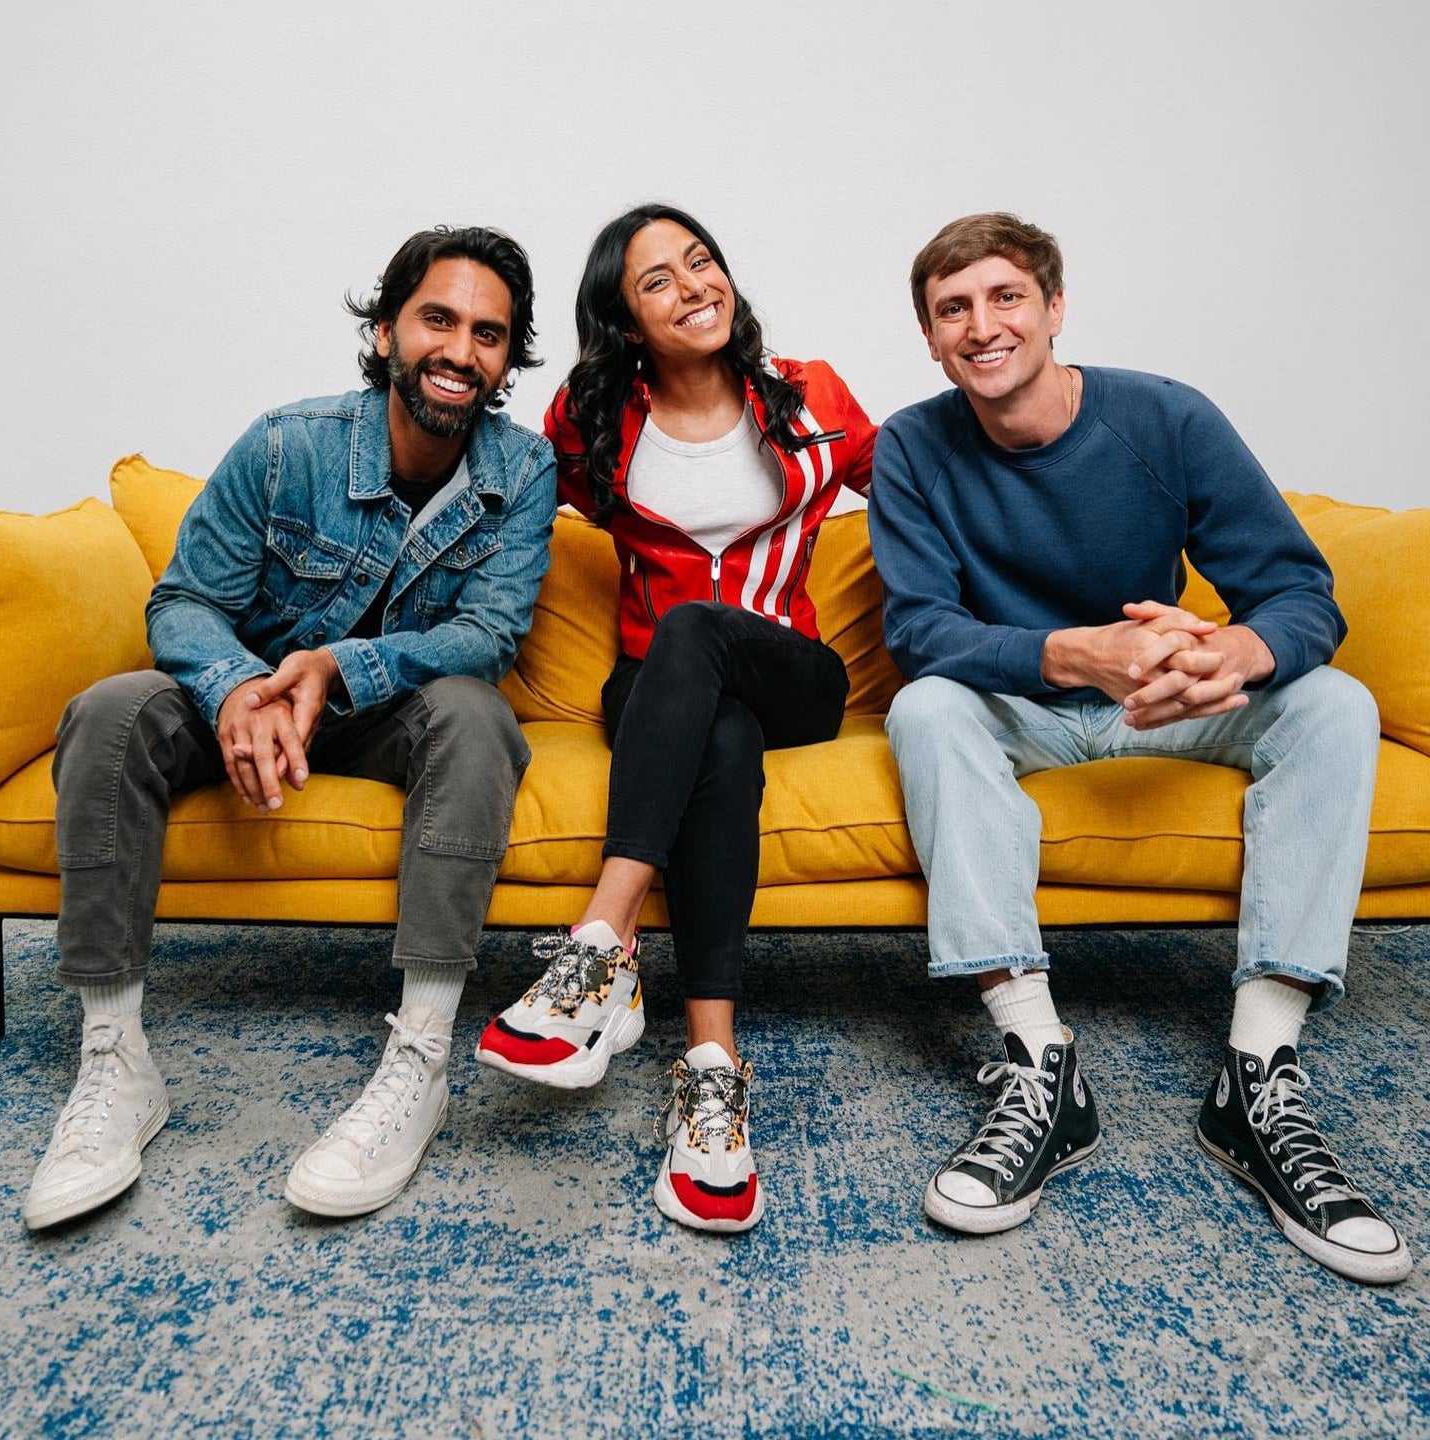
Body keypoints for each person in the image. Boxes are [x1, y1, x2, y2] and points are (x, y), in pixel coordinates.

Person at [868, 212, 1411, 1284]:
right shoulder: (913, 445)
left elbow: (1299, 591)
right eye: (953, 310)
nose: (983, 327)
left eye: (1005, 297)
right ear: (931, 339)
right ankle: (1039, 1063)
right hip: (1024, 697)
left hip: (1165, 694)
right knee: (923, 706)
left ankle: (1259, 1078)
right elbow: (920, 629)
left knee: (1336, 705)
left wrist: (1244, 652)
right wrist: (1078, 653)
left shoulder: (1166, 418)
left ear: (1055, 307)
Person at [22, 226, 556, 1229]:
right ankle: (114, 1061)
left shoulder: (520, 471)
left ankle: (421, 1056)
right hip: (248, 690)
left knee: (477, 715)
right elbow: (182, 602)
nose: (461, 350)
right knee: (106, 708)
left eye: (490, 334)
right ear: (389, 327)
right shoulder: (286, 445)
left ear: (506, 359)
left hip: (384, 710)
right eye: (439, 318)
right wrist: (236, 690)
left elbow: (485, 636)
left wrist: (336, 668)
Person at [473, 204, 876, 1233]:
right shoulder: (592, 417)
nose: (694, 285)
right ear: (625, 321)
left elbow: (919, 483)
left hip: (794, 676)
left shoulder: (810, 392)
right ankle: (712, 1070)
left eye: (702, 262)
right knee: (717, 736)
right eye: (658, 280)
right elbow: (514, 490)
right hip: (664, 695)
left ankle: (601, 944)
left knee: (699, 631)